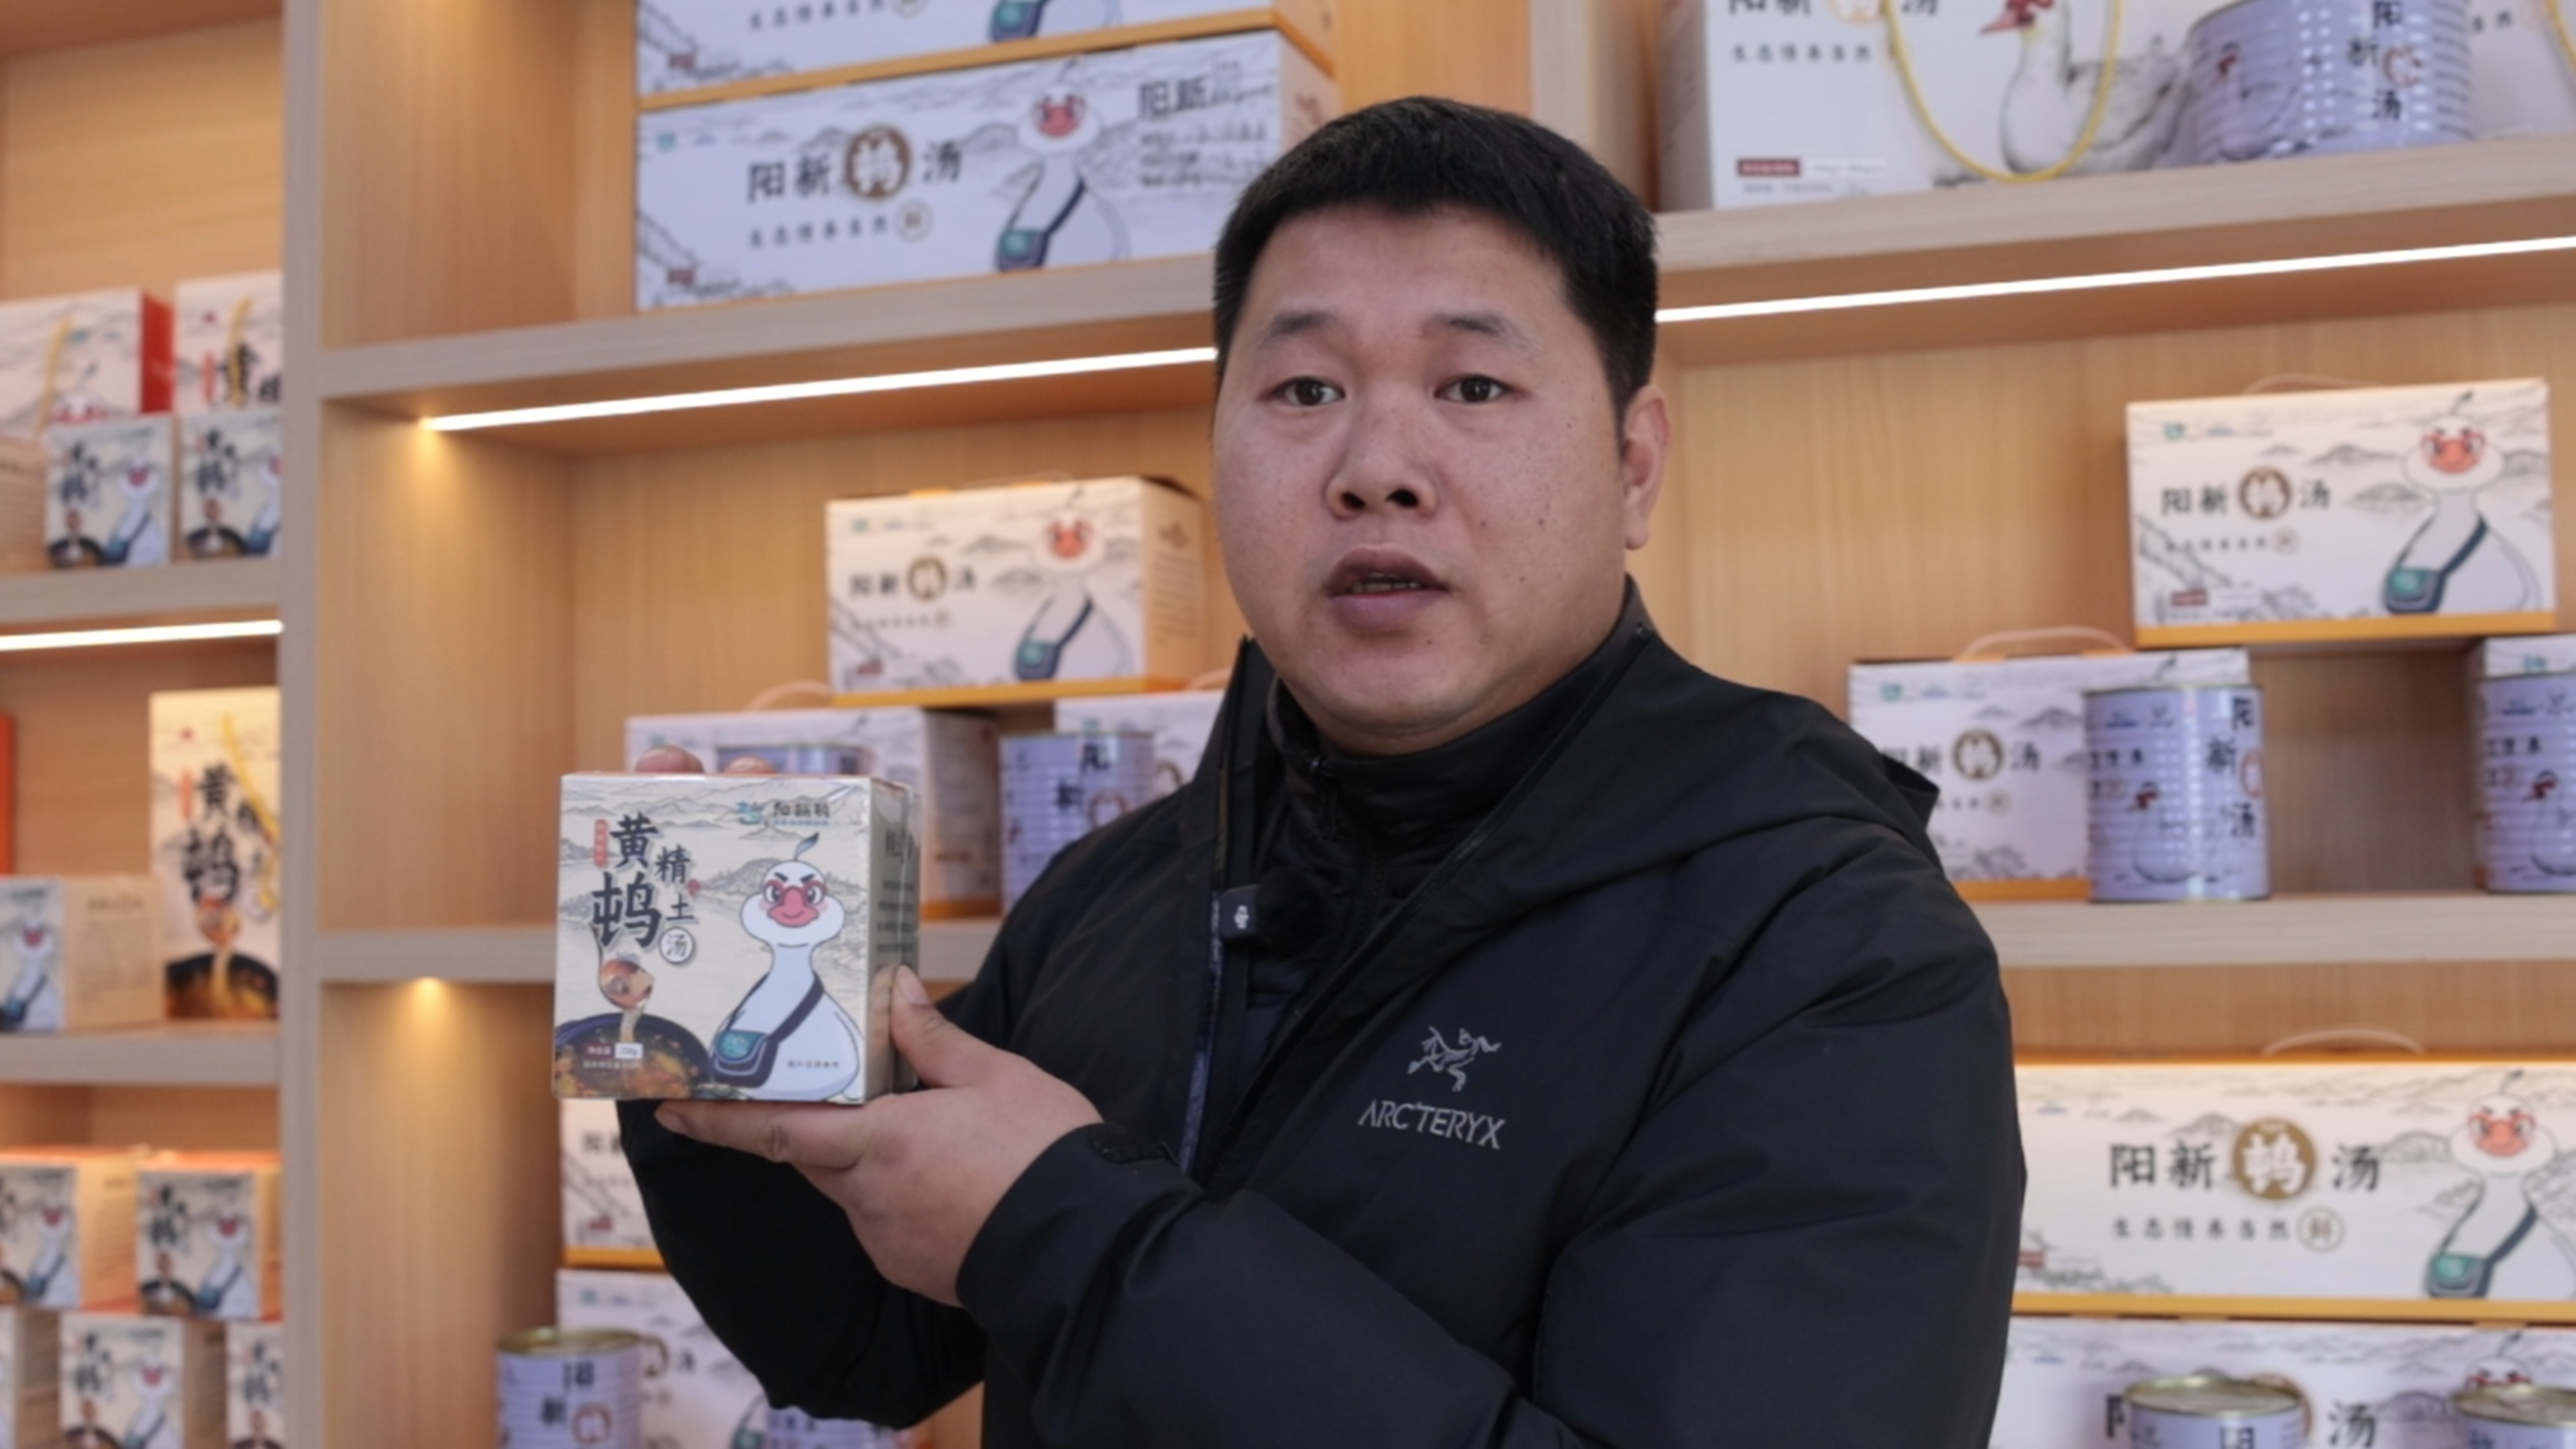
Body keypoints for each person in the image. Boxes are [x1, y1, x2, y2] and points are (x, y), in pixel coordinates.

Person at [624, 97, 2025, 1446]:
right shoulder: (1121, 892)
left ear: (1635, 464)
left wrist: (1071, 1234)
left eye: (1472, 385)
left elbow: (1045, 1242)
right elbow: (874, 1345)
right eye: (1305, 389)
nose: (1376, 469)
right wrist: (690, 1027)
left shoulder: (1833, 945)